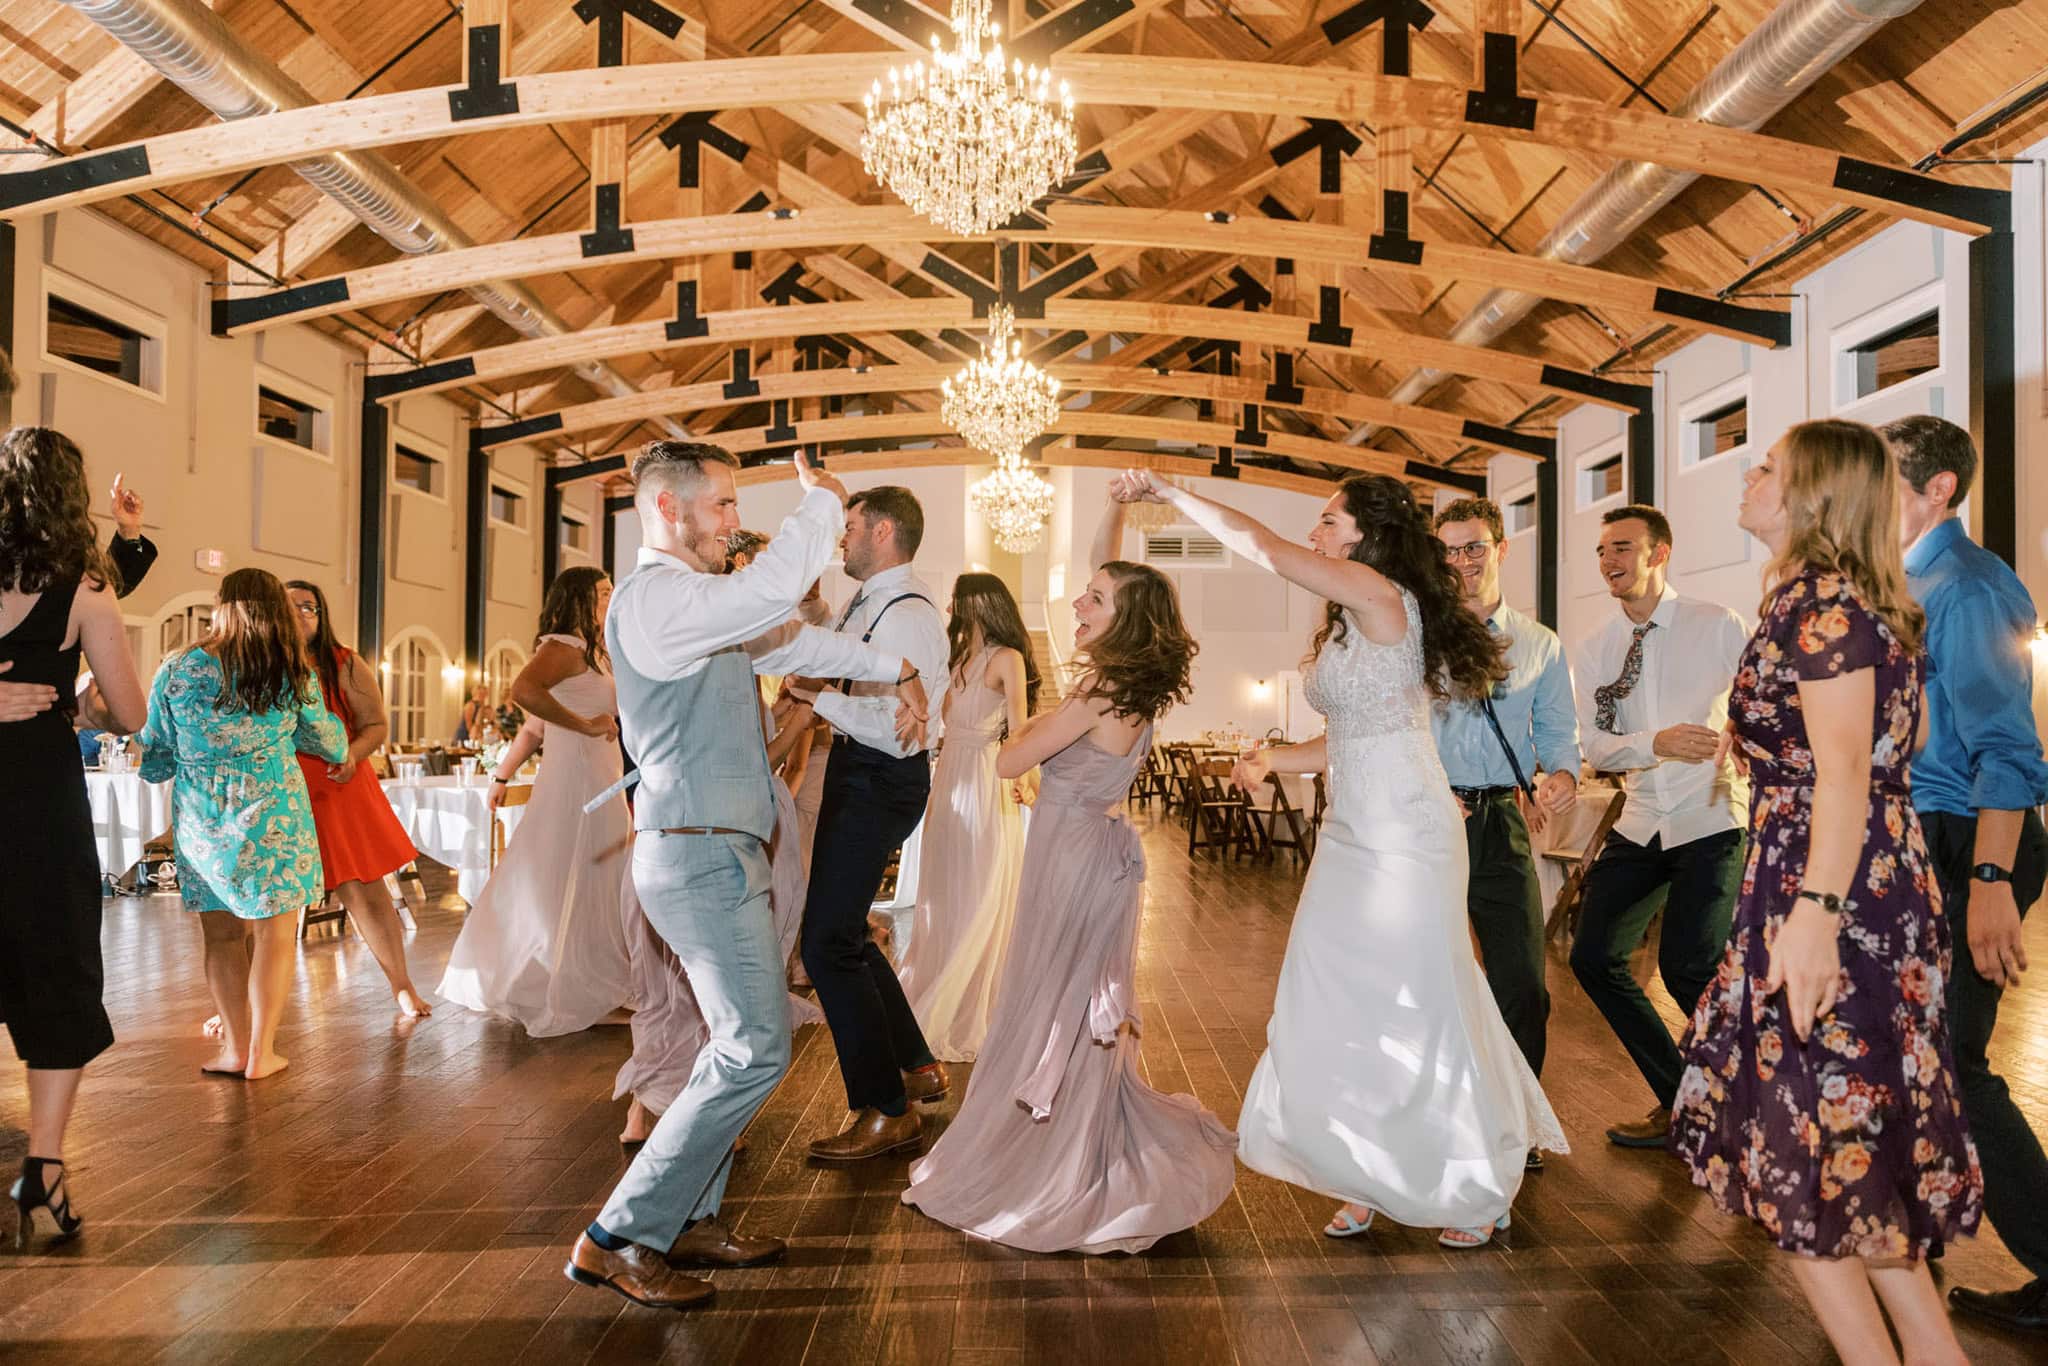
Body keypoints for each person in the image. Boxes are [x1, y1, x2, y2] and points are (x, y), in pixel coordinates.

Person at [1144, 468, 1564, 1248]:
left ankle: (1471, 1183)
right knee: (1335, 995)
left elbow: (1265, 548)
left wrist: (1175, 495)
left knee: (1418, 1000)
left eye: (1329, 522)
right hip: (1350, 831)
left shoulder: (1378, 594)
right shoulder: (1344, 620)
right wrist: (1274, 759)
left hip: (1406, 832)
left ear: (1367, 533)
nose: (1316, 535)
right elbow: (1349, 738)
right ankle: (1368, 1168)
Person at [564, 442, 927, 1312]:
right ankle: (618, 1237)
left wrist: (902, 669)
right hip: (694, 854)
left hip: (717, 851)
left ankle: (686, 1217)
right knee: (753, 1047)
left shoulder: (695, 606)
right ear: (667, 510)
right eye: (722, 505)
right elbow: (770, 597)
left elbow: (786, 637)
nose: (734, 522)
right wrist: (824, 503)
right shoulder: (655, 599)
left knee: (734, 1046)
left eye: (733, 505)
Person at [1669, 419, 1981, 1364]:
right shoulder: (1839, 603)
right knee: (1842, 1161)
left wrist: (1814, 918)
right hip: (1846, 878)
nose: (1749, 474)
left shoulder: (1827, 613)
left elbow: (1848, 775)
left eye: (1766, 466)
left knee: (1804, 1150)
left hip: (1831, 896)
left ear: (1810, 495)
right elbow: (1906, 749)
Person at [900, 489, 1234, 1252]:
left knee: (1049, 1000)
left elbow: (1012, 757)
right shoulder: (1130, 682)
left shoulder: (1098, 689)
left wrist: (1020, 729)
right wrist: (1112, 508)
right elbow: (1105, 570)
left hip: (1073, 858)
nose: (1080, 601)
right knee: (1066, 999)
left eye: (1096, 599)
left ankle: (1050, 1160)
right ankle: (1079, 1131)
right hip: (1088, 852)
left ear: (1125, 620)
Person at [1881, 415, 2048, 1334]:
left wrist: (1992, 880)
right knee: (1918, 1053)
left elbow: (2008, 753)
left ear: (1938, 487)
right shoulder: (1908, 580)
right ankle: (1910, 1238)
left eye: (1886, 479)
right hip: (1926, 838)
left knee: (1956, 1062)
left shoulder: (1970, 586)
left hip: (1971, 840)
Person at [613, 530, 825, 1149]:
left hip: (730, 825)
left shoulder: (739, 656)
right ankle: (671, 1107)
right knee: (674, 984)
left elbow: (810, 638)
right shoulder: (684, 636)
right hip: (701, 832)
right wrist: (800, 719)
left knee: (693, 988)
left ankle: (670, 1108)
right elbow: (758, 756)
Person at [0, 425, 148, 1250]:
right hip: (34, 800)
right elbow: (127, 713)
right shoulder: (87, 589)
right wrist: (79, 696)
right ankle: (42, 1169)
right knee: (53, 967)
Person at [1568, 504, 1751, 1147]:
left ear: (1659, 553)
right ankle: (1684, 1103)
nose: (1608, 561)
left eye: (1622, 547)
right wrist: (1658, 742)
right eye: (1600, 551)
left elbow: (1760, 709)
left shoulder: (1716, 623)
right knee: (1592, 958)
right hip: (1643, 818)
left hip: (1712, 815)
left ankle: (1751, 1105)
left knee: (1690, 968)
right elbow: (1595, 746)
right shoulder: (1594, 649)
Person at [787, 486, 953, 1162]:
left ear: (883, 532)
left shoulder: (909, 616)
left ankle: (886, 1109)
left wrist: (816, 697)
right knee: (843, 932)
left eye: (849, 527)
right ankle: (914, 1064)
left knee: (825, 944)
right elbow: (839, 640)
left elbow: (901, 733)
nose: (841, 538)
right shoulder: (873, 602)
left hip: (881, 778)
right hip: (862, 775)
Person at [139, 568, 347, 1081]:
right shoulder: (288, 669)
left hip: (203, 821)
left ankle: (233, 1049)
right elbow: (328, 740)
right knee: (276, 937)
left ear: (221, 605)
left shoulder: (178, 669)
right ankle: (262, 1052)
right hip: (276, 815)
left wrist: (182, 762)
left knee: (222, 937)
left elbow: (155, 750)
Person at [438, 566, 636, 1036]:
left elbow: (533, 727)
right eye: (603, 593)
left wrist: (503, 773)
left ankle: (592, 977)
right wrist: (585, 725)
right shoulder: (562, 647)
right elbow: (523, 694)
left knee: (591, 871)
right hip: (579, 775)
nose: (610, 599)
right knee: (581, 868)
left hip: (602, 771)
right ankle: (582, 989)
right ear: (579, 599)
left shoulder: (594, 653)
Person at [1431, 498, 1582, 1107]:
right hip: (1427, 817)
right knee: (1428, 976)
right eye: (1448, 550)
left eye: (1473, 547)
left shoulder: (1539, 644)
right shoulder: (1418, 634)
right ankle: (1437, 1111)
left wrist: (1564, 775)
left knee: (1523, 982)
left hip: (1500, 817)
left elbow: (1555, 732)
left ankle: (1514, 1117)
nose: (1461, 562)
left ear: (1501, 548)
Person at [895, 572, 1039, 1062]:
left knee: (979, 888)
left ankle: (972, 1002)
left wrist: (1027, 778)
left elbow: (1019, 729)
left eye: (958, 598)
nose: (951, 605)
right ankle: (936, 980)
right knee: (943, 888)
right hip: (947, 779)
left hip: (984, 779)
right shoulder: (954, 659)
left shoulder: (1008, 659)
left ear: (980, 604)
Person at [284, 580, 430, 1019]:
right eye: (289, 607)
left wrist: (353, 754)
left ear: (321, 615)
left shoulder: (343, 663)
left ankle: (401, 984)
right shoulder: (260, 665)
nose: (299, 615)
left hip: (338, 784)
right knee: (267, 900)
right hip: (280, 790)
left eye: (309, 607)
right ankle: (241, 1003)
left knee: (365, 891)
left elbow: (376, 725)